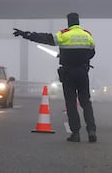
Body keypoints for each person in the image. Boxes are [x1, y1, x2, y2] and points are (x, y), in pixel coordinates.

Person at [13, 12, 97, 143]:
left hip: (68, 73)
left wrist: (26, 34)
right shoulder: (87, 35)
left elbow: (45, 38)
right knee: (86, 102)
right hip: (82, 72)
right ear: (78, 22)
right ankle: (92, 131)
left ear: (68, 22)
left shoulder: (64, 34)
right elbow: (92, 53)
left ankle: (75, 134)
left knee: (71, 103)